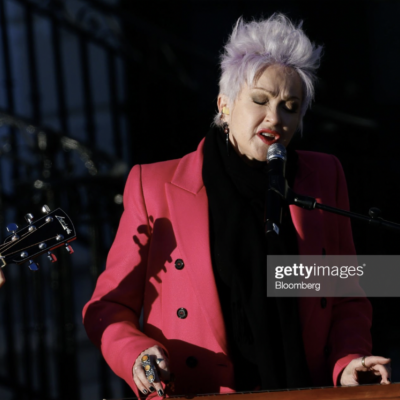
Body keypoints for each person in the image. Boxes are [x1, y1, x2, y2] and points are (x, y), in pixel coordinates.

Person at [83, 14, 391, 397]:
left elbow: (347, 295)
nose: (274, 118)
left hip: (305, 390)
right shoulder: (156, 186)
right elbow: (107, 306)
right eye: (260, 100)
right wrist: (137, 354)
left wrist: (348, 361)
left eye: (290, 106)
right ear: (224, 105)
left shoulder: (322, 178)